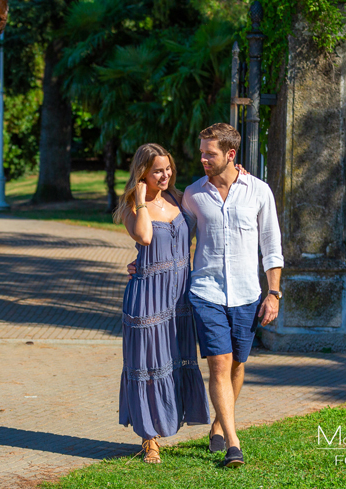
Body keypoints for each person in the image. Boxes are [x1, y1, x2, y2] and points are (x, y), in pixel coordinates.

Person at [128, 123, 283, 468]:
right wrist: (141, 260)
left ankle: (219, 422)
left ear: (230, 155)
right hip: (205, 291)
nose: (202, 159)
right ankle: (233, 443)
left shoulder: (259, 191)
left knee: (239, 363)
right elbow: (175, 237)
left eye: (209, 153)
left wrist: (273, 293)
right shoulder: (193, 195)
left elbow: (272, 248)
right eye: (201, 152)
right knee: (218, 362)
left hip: (247, 293)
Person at [114, 143, 210, 464]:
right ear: (143, 172)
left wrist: (239, 175)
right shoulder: (131, 206)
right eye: (158, 170)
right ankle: (149, 439)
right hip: (148, 298)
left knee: (175, 359)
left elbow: (209, 196)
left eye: (168, 168)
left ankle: (170, 422)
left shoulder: (178, 197)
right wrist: (141, 200)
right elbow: (143, 237)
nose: (165, 175)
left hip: (179, 297)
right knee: (148, 365)